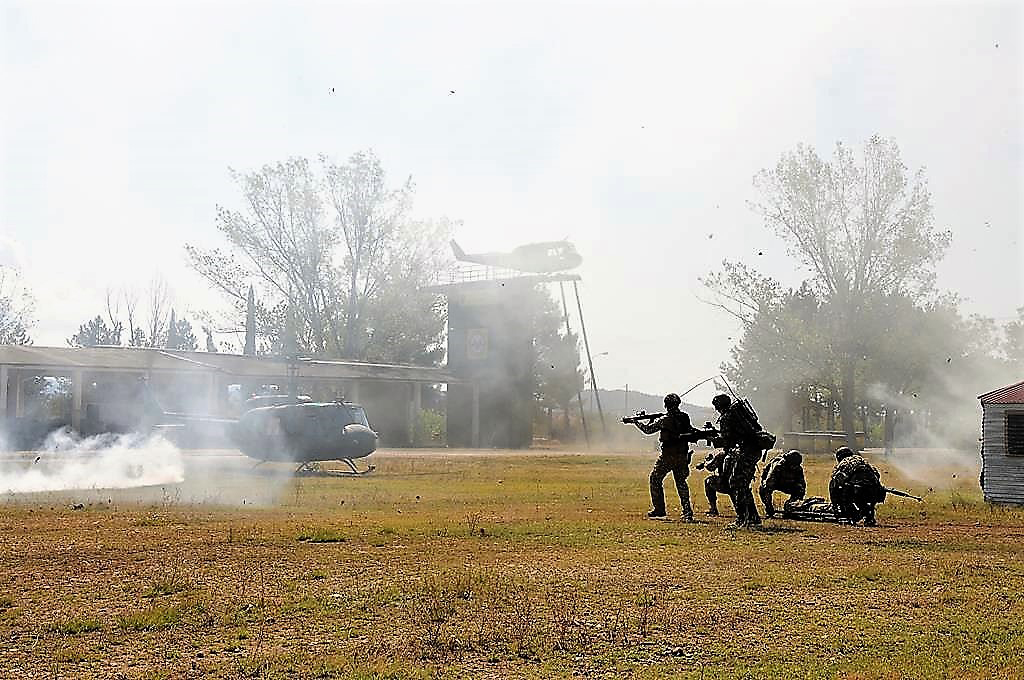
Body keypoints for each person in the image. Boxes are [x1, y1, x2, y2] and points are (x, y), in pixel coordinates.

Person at [630, 393, 695, 521]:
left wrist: (636, 422)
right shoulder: (684, 417)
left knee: (655, 478)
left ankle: (659, 509)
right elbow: (690, 430)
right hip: (682, 455)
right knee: (681, 482)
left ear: (666, 405)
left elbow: (648, 430)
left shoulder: (665, 419)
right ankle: (687, 512)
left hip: (668, 456)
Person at [711, 393, 762, 528]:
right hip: (753, 450)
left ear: (719, 406)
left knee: (736, 484)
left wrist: (714, 440)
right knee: (743, 484)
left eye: (716, 407)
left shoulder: (727, 417)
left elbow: (727, 442)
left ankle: (741, 519)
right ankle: (753, 518)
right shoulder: (738, 414)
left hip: (745, 451)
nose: (716, 409)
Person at [829, 446, 885, 526]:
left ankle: (852, 514)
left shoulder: (843, 463)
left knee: (844, 489)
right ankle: (868, 516)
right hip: (874, 491)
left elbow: (835, 483)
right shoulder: (862, 460)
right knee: (857, 490)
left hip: (858, 491)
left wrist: (835, 504)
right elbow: (876, 473)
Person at [758, 450, 807, 518]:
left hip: (788, 484)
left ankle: (791, 508)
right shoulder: (778, 466)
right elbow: (768, 483)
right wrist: (769, 506)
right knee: (764, 490)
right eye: (793, 465)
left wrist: (793, 503)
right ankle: (769, 509)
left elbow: (802, 485)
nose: (794, 468)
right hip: (775, 482)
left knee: (800, 489)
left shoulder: (798, 469)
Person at [696, 450, 730, 516]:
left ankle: (713, 509)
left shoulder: (721, 454)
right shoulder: (739, 452)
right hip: (741, 483)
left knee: (708, 482)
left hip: (727, 483)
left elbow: (711, 467)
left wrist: (704, 463)